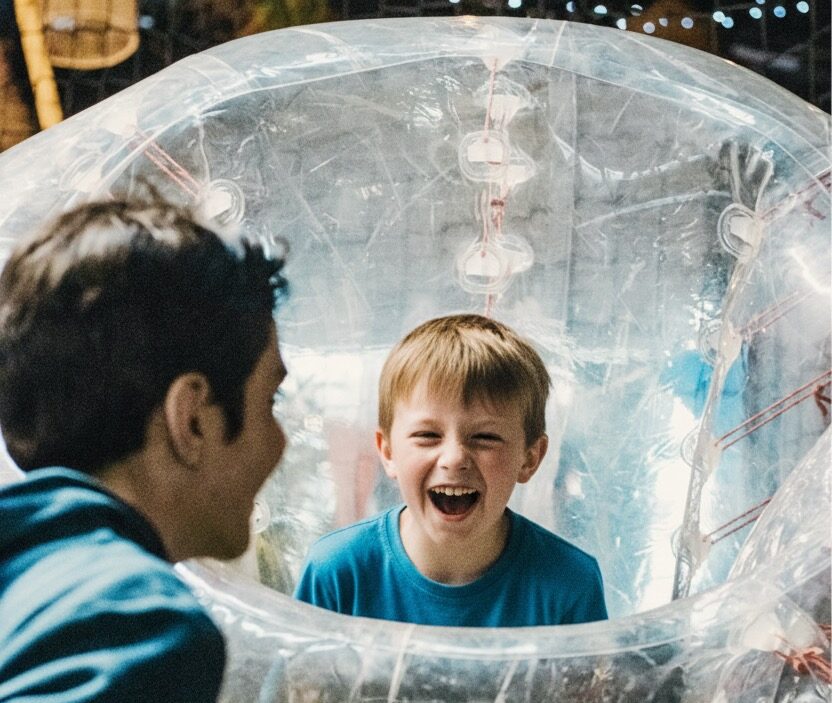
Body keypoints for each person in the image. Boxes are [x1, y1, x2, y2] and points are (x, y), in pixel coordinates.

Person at [0, 196, 288, 702]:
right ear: (192, 419)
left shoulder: (24, 572)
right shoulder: (137, 624)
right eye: (269, 401)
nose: (280, 444)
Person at [294, 314, 608, 627]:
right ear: (387, 452)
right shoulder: (335, 575)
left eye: (485, 437)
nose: (454, 458)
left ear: (530, 458)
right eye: (427, 435)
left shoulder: (571, 585)